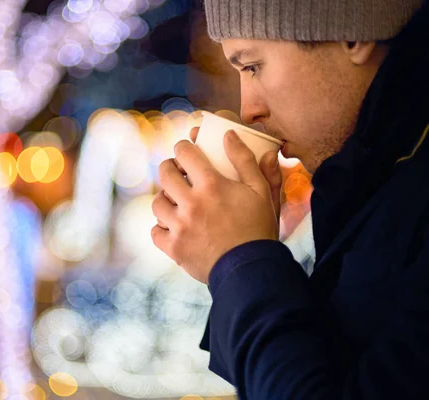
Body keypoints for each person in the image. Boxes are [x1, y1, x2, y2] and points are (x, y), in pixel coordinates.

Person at [151, 0, 429, 399]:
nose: (249, 110)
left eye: (253, 66)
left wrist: (241, 261)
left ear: (352, 33)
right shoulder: (378, 175)